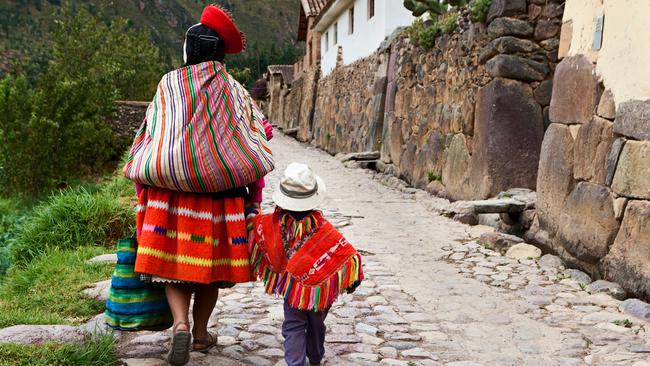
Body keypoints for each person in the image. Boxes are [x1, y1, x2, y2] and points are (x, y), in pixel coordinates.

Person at [130, 5, 272, 365]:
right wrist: (253, 199)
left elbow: (150, 134)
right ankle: (200, 333)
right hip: (219, 198)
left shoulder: (168, 85)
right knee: (207, 268)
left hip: (168, 195)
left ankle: (178, 323)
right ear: (219, 54)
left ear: (189, 52)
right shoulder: (234, 91)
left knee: (172, 266)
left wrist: (143, 190)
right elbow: (254, 137)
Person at [248, 163, 364, 366]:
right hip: (319, 291)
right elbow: (344, 252)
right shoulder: (322, 227)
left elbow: (257, 225)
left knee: (293, 325)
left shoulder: (275, 223)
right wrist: (353, 280)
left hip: (291, 290)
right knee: (317, 324)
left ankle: (296, 362)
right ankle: (316, 355)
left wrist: (250, 213)